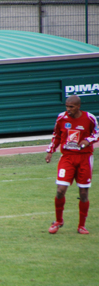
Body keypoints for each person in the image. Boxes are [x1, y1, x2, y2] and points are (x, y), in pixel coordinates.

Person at [45, 95, 98, 234]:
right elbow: (56, 135)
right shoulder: (61, 118)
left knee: (83, 193)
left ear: (78, 106)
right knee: (60, 190)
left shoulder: (89, 118)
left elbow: (97, 133)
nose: (68, 110)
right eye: (67, 106)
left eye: (71, 107)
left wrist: (88, 140)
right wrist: (50, 151)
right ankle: (58, 221)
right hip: (67, 157)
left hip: (84, 158)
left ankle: (81, 225)